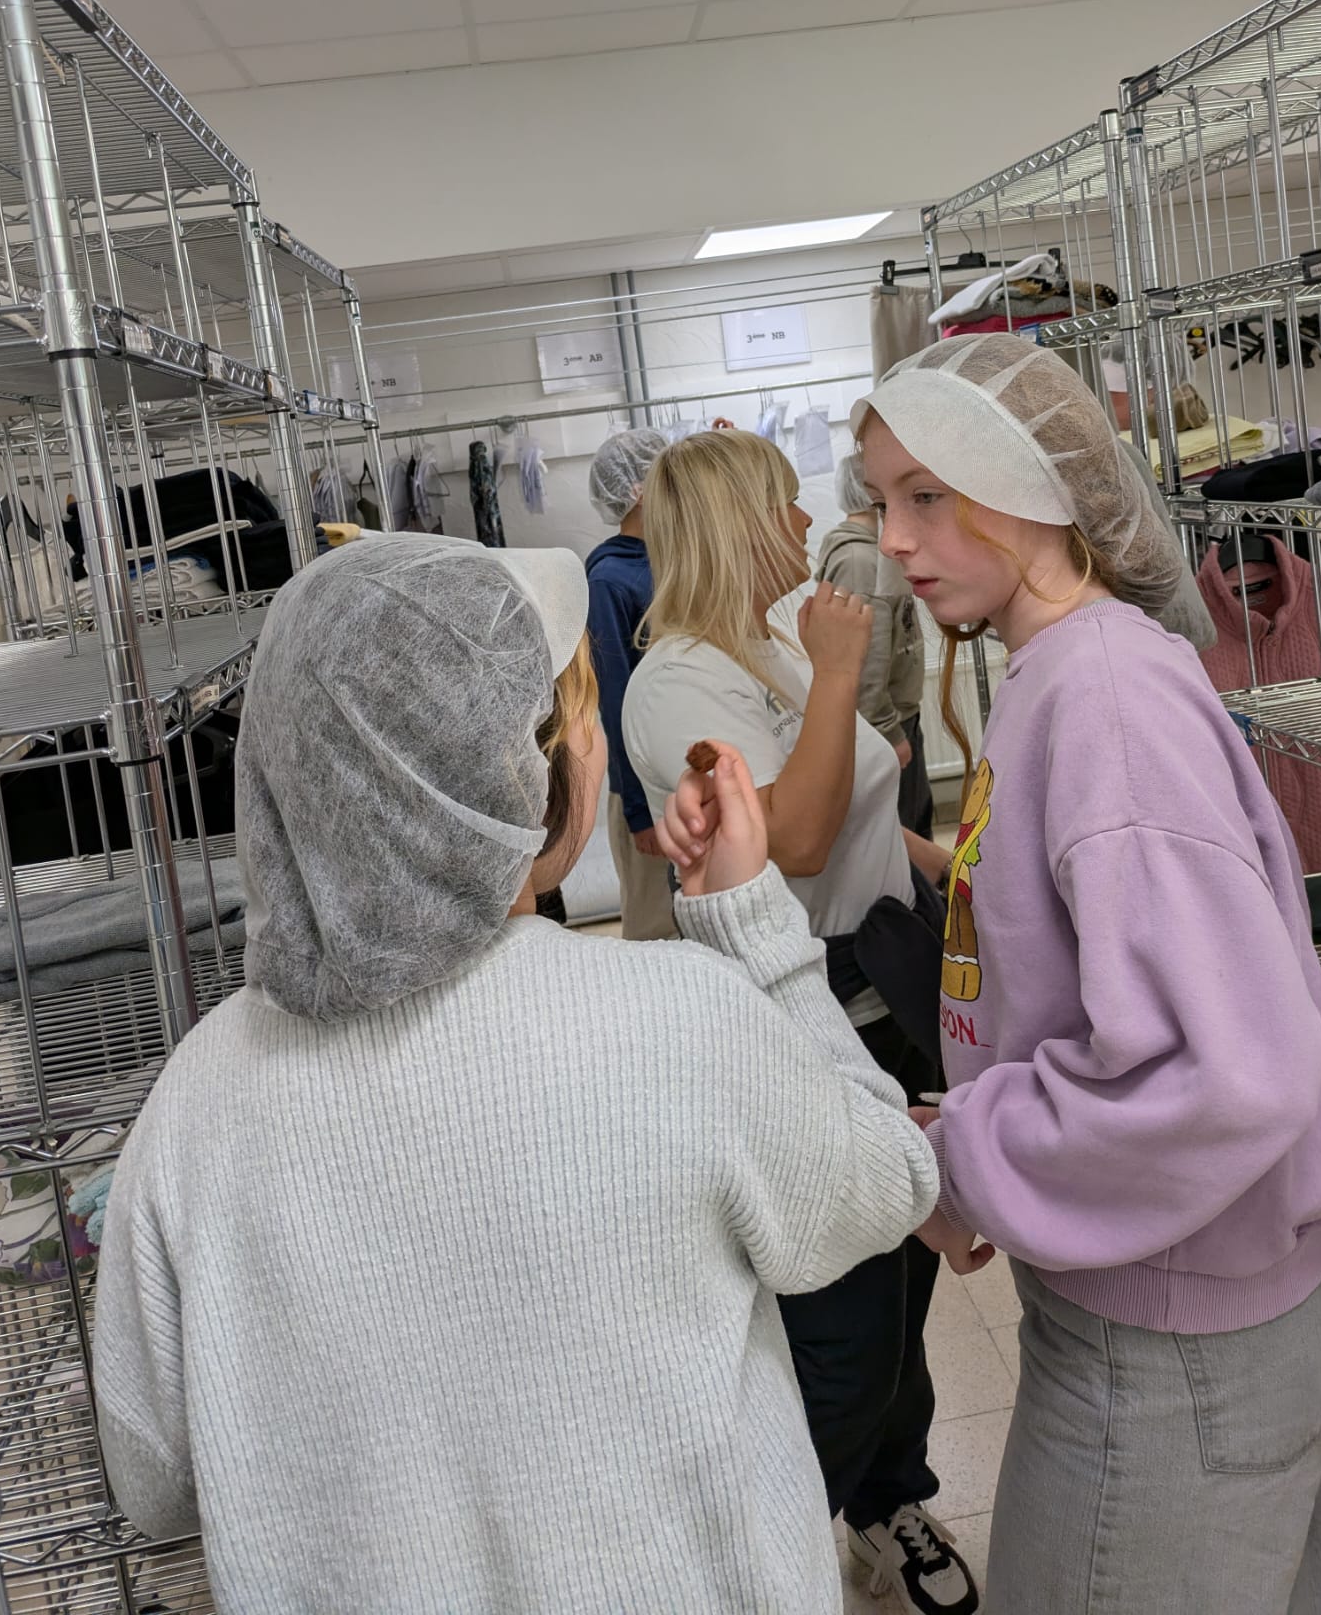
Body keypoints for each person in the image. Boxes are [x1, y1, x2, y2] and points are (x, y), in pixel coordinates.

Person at [92, 536, 939, 1615]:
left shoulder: (195, 1099)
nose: (595, 741)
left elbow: (153, 1479)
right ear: (531, 784)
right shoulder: (674, 1020)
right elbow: (884, 1185)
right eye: (579, 716)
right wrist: (752, 925)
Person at [855, 335, 1321, 1615]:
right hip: (1179, 1295)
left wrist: (965, 1158)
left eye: (928, 493)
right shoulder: (1066, 670)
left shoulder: (1102, 698)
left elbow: (1224, 1068)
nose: (895, 539)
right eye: (880, 500)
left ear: (1035, 485)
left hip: (1169, 1342)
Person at [624, 431, 980, 1615]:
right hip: (797, 1020)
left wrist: (955, 867)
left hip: (884, 990)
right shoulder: (676, 682)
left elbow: (866, 808)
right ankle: (749, 1568)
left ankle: (889, 1503)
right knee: (846, 1334)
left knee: (903, 1297)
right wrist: (837, 673)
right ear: (737, 522)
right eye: (781, 504)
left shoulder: (770, 639)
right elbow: (798, 843)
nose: (803, 524)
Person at [585, 427, 675, 939]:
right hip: (644, 784)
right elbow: (615, 699)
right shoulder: (609, 581)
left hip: (683, 773)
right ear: (640, 489)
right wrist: (640, 813)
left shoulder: (671, 560)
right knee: (655, 923)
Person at [818, 451, 935, 840]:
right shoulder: (860, 562)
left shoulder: (873, 554)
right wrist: (890, 733)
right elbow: (864, 662)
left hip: (897, 719)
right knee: (906, 839)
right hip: (886, 726)